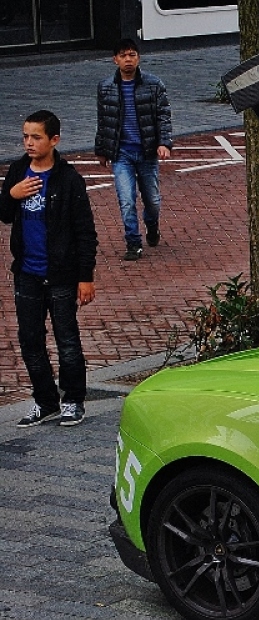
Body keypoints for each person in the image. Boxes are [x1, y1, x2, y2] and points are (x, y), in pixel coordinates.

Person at [1, 111, 98, 427]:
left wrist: (86, 277)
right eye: (26, 136)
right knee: (30, 340)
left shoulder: (69, 180)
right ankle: (45, 402)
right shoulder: (18, 171)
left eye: (36, 137)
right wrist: (12, 195)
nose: (29, 142)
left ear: (54, 140)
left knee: (67, 339)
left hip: (61, 275)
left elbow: (85, 231)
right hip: (27, 274)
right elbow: (4, 214)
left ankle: (72, 400)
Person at [95, 38, 172, 261]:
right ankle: (133, 242)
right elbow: (104, 120)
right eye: (123, 56)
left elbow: (163, 115)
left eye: (132, 55)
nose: (128, 60)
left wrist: (163, 143)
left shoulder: (154, 84)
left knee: (153, 201)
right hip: (122, 153)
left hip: (147, 152)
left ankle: (152, 225)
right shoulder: (106, 87)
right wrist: (101, 148)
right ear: (115, 59)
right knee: (126, 199)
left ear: (138, 57)